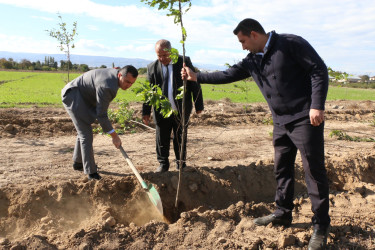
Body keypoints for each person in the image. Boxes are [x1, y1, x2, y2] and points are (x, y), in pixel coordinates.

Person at [182, 18, 330, 249]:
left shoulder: (290, 43)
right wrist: (195, 76)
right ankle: (282, 212)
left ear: (253, 34)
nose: (242, 46)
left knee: (314, 172)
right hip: (280, 122)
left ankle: (321, 225)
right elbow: (227, 74)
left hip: (305, 119)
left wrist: (317, 105)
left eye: (242, 41)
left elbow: (318, 70)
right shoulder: (252, 60)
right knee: (282, 169)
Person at [62, 65, 138, 180]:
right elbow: (101, 115)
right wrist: (114, 136)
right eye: (127, 81)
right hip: (74, 96)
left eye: (132, 83)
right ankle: (91, 173)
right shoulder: (107, 86)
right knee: (86, 135)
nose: (128, 85)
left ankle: (78, 163)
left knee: (83, 131)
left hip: (84, 96)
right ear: (119, 75)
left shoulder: (116, 75)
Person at [143, 39, 204, 172]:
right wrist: (146, 112)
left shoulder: (183, 62)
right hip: (161, 110)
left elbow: (195, 83)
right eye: (159, 55)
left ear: (171, 52)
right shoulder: (152, 67)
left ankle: (180, 163)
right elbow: (149, 92)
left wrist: (199, 105)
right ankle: (163, 164)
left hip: (181, 109)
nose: (161, 58)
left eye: (164, 55)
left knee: (180, 137)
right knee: (161, 137)